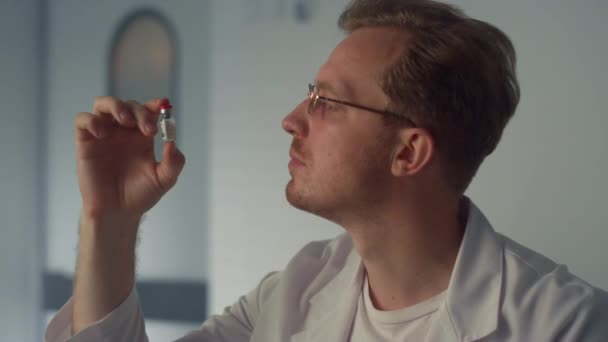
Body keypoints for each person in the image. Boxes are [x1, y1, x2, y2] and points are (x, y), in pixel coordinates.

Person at [46, 0, 608, 341]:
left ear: (408, 153)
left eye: (326, 103)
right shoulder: (297, 289)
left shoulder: (565, 325)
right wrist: (109, 219)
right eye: (307, 94)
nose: (291, 120)